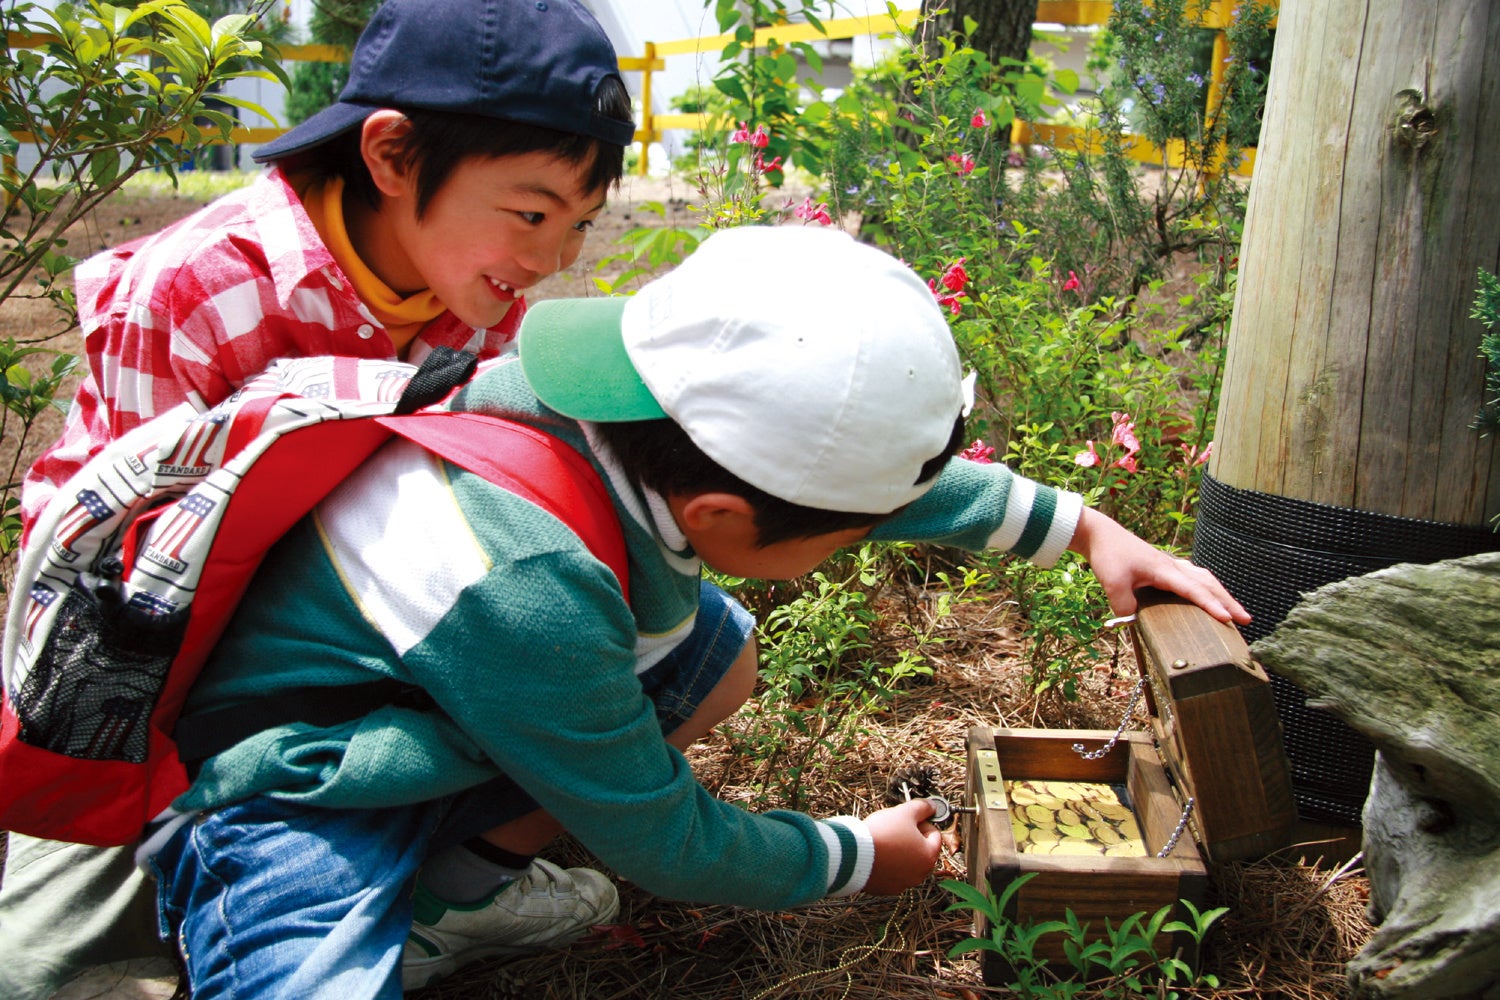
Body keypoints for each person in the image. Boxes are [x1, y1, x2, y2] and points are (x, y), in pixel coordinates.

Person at [144, 225, 1251, 997]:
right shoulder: (526, 587)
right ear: (721, 512)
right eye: (845, 536)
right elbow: (665, 838)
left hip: (434, 699)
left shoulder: (628, 399)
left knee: (711, 650)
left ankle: (452, 898)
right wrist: (851, 855)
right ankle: (278, 898)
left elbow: (874, 483)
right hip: (290, 782)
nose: (861, 539)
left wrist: (1087, 528)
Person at [0, 1, 635, 995]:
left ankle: (456, 889)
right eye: (532, 213)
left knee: (649, 652)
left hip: (346, 619)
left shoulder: (470, 296)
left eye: (579, 223)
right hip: (152, 651)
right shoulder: (200, 289)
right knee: (38, 973)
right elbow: (133, 577)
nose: (554, 259)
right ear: (391, 155)